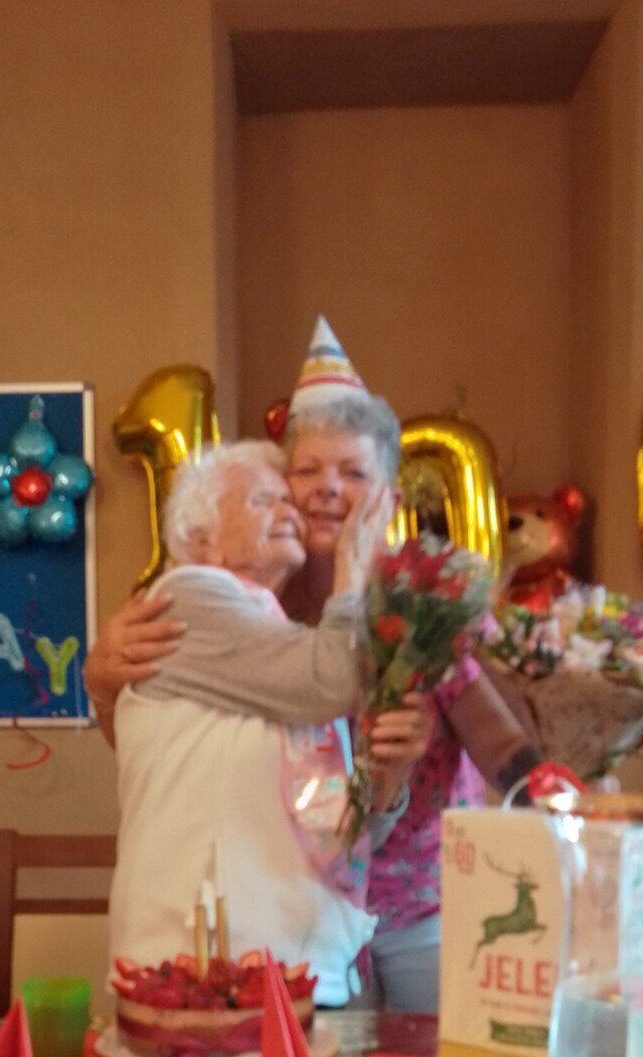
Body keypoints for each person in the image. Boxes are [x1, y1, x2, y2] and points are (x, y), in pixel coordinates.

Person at [88, 322, 543, 1014]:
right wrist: (100, 683)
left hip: (416, 903)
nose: (328, 489)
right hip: (304, 913)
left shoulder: (419, 595)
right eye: (304, 474)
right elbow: (163, 750)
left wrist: (568, 806)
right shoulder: (247, 601)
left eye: (354, 473)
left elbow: (497, 738)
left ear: (389, 495)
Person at [103, 439, 427, 1009]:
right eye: (262, 501)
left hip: (301, 972)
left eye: (287, 501)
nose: (288, 514)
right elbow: (333, 683)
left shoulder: (275, 637)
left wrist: (391, 779)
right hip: (203, 981)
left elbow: (336, 835)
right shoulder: (189, 600)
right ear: (200, 538)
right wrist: (354, 568)